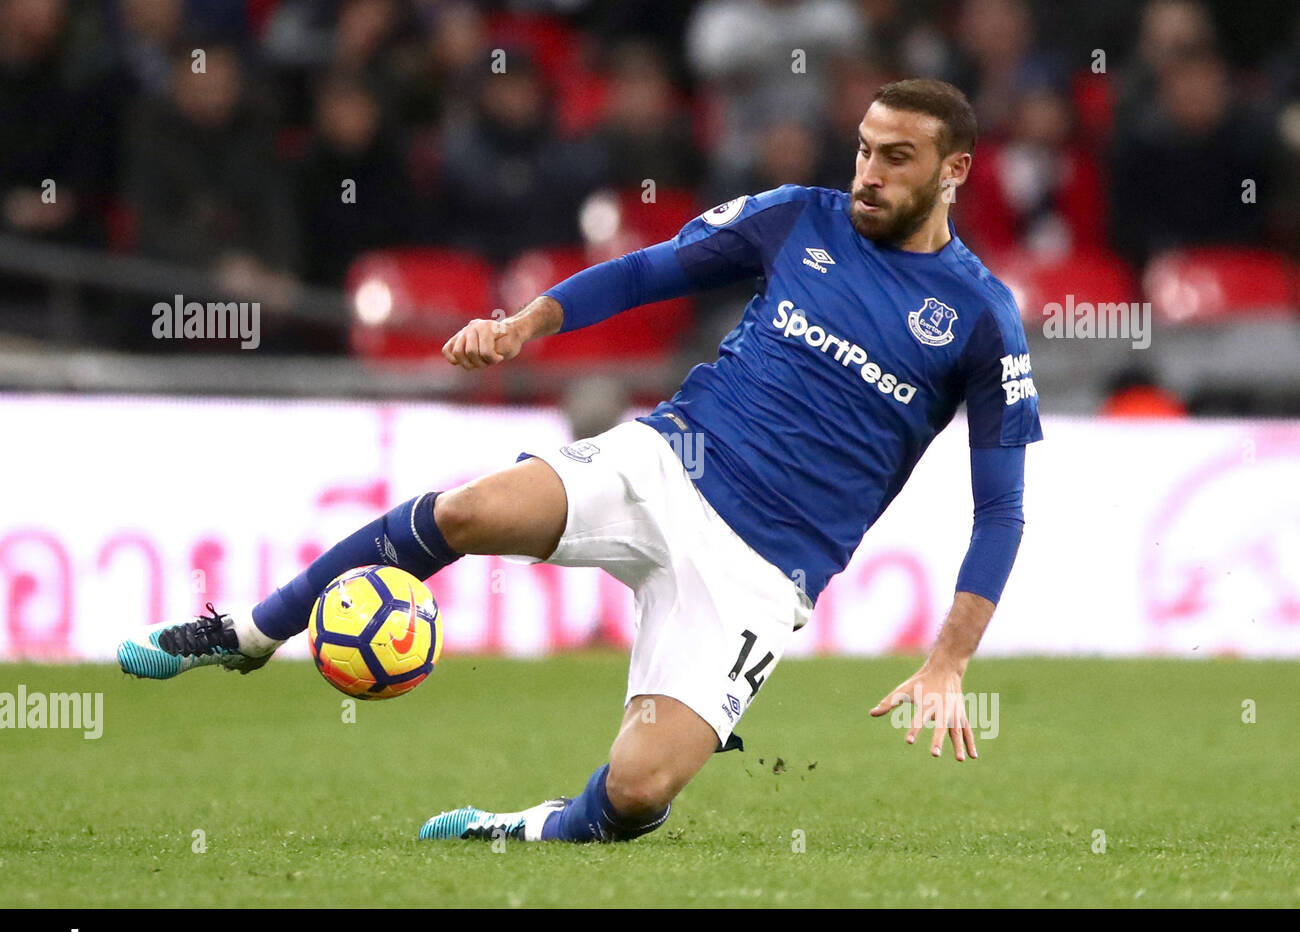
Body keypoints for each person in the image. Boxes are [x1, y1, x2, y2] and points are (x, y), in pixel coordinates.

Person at [117, 79, 1042, 845]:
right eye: (864, 149)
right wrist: (529, 322)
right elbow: (648, 271)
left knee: (638, 792)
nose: (868, 174)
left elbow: (999, 509)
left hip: (763, 570)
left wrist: (950, 659)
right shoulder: (799, 218)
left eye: (897, 158)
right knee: (468, 510)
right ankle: (252, 630)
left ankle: (531, 828)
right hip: (665, 464)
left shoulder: (981, 317)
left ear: (955, 171)